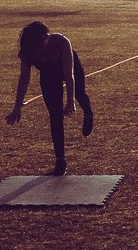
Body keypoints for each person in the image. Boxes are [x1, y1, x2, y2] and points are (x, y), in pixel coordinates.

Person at [6, 21, 94, 176]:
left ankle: (88, 113)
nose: (39, 52)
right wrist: (17, 107)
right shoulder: (28, 52)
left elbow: (69, 75)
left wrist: (70, 101)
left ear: (46, 38)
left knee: (79, 93)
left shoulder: (61, 42)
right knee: (55, 116)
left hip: (68, 67)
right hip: (49, 75)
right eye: (35, 49)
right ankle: (60, 160)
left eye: (40, 47)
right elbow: (24, 80)